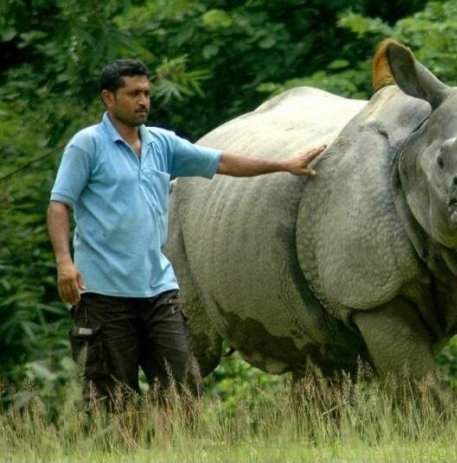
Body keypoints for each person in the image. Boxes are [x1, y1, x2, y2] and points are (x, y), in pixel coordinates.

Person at [47, 59, 324, 406]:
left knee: (183, 388)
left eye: (146, 93)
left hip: (157, 289)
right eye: (133, 94)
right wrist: (64, 263)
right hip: (103, 293)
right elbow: (59, 204)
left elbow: (221, 161)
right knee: (112, 397)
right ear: (108, 98)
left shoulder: (162, 143)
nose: (143, 101)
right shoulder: (86, 145)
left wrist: (282, 165)